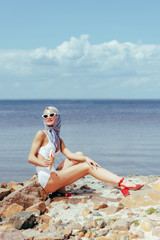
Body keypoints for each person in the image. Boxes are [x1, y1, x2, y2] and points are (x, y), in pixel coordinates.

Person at [28, 106, 143, 199]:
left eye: (51, 114)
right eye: (45, 116)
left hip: (53, 175)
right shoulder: (41, 134)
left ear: (57, 117)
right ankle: (122, 182)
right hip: (48, 180)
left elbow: (70, 155)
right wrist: (43, 163)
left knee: (80, 155)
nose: (48, 117)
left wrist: (87, 158)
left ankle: (61, 190)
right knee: (87, 167)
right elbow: (30, 158)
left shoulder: (58, 139)